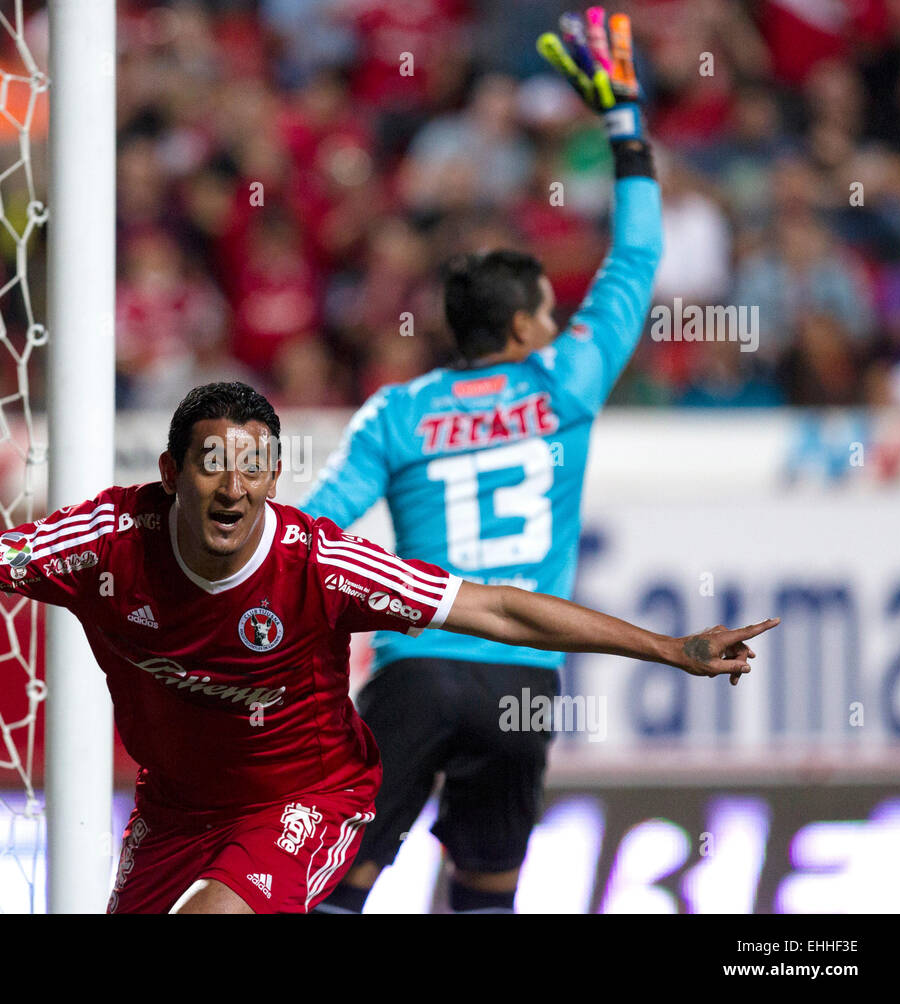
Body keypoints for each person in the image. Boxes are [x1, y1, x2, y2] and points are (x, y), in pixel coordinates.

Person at [0, 381, 776, 915]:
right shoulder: (102, 539)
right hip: (176, 803)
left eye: (256, 465)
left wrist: (667, 648)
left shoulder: (321, 564)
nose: (237, 484)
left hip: (309, 793)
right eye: (215, 463)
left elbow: (498, 609)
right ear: (172, 469)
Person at [301, 9, 670, 914]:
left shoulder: (399, 411)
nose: (556, 324)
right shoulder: (565, 383)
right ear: (518, 329)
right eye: (547, 312)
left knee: (336, 891)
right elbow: (639, 254)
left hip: (417, 668)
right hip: (525, 685)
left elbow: (316, 527)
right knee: (485, 898)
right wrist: (623, 122)